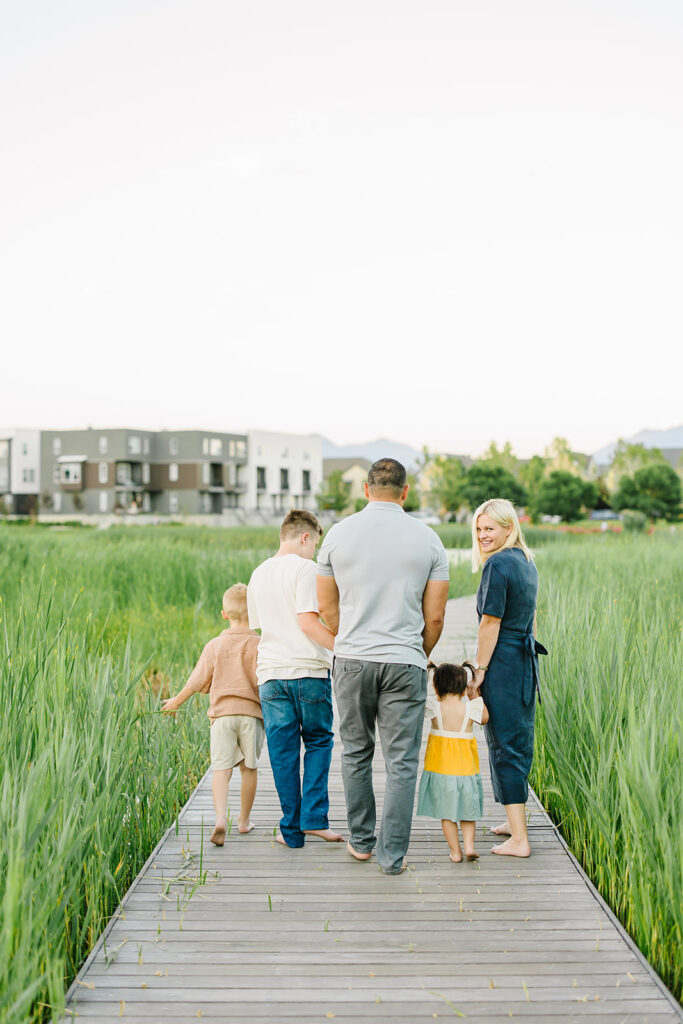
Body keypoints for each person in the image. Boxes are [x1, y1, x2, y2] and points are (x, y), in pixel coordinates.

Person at [317, 458, 450, 875]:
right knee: (401, 763)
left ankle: (360, 842)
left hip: (353, 659)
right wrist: (418, 652)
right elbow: (436, 618)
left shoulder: (337, 535)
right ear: (406, 492)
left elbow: (325, 605)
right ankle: (391, 857)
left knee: (355, 752)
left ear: (366, 490)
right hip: (405, 661)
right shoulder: (429, 539)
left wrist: (350, 639)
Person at [247, 509, 342, 849]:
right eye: (314, 543)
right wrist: (343, 648)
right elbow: (307, 622)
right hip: (308, 672)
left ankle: (291, 831)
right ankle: (314, 820)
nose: (314, 550)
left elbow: (261, 627)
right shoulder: (306, 569)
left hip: (270, 675)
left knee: (283, 753)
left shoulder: (258, 574)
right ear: (305, 537)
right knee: (318, 741)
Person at [468, 497, 547, 858]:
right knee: (516, 738)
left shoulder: (497, 564)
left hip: (503, 661)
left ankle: (519, 839)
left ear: (509, 528)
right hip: (523, 661)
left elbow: (490, 622)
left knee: (505, 744)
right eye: (479, 529)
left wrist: (479, 670)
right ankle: (513, 821)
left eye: (490, 529)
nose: (483, 535)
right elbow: (528, 618)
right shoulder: (525, 561)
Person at [162, 583, 263, 846]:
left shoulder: (215, 646)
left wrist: (176, 701)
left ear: (224, 614)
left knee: (221, 770)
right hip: (252, 716)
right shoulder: (261, 645)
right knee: (249, 769)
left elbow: (196, 681)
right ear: (255, 612)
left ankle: (220, 818)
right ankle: (243, 821)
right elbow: (267, 682)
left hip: (221, 718)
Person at [416, 660, 488, 862]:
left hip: (441, 771)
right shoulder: (471, 708)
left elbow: (417, 706)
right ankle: (470, 846)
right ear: (464, 690)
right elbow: (485, 718)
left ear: (436, 688)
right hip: (466, 771)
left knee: (447, 815)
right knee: (467, 812)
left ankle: (455, 851)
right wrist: (475, 696)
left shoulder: (433, 708)